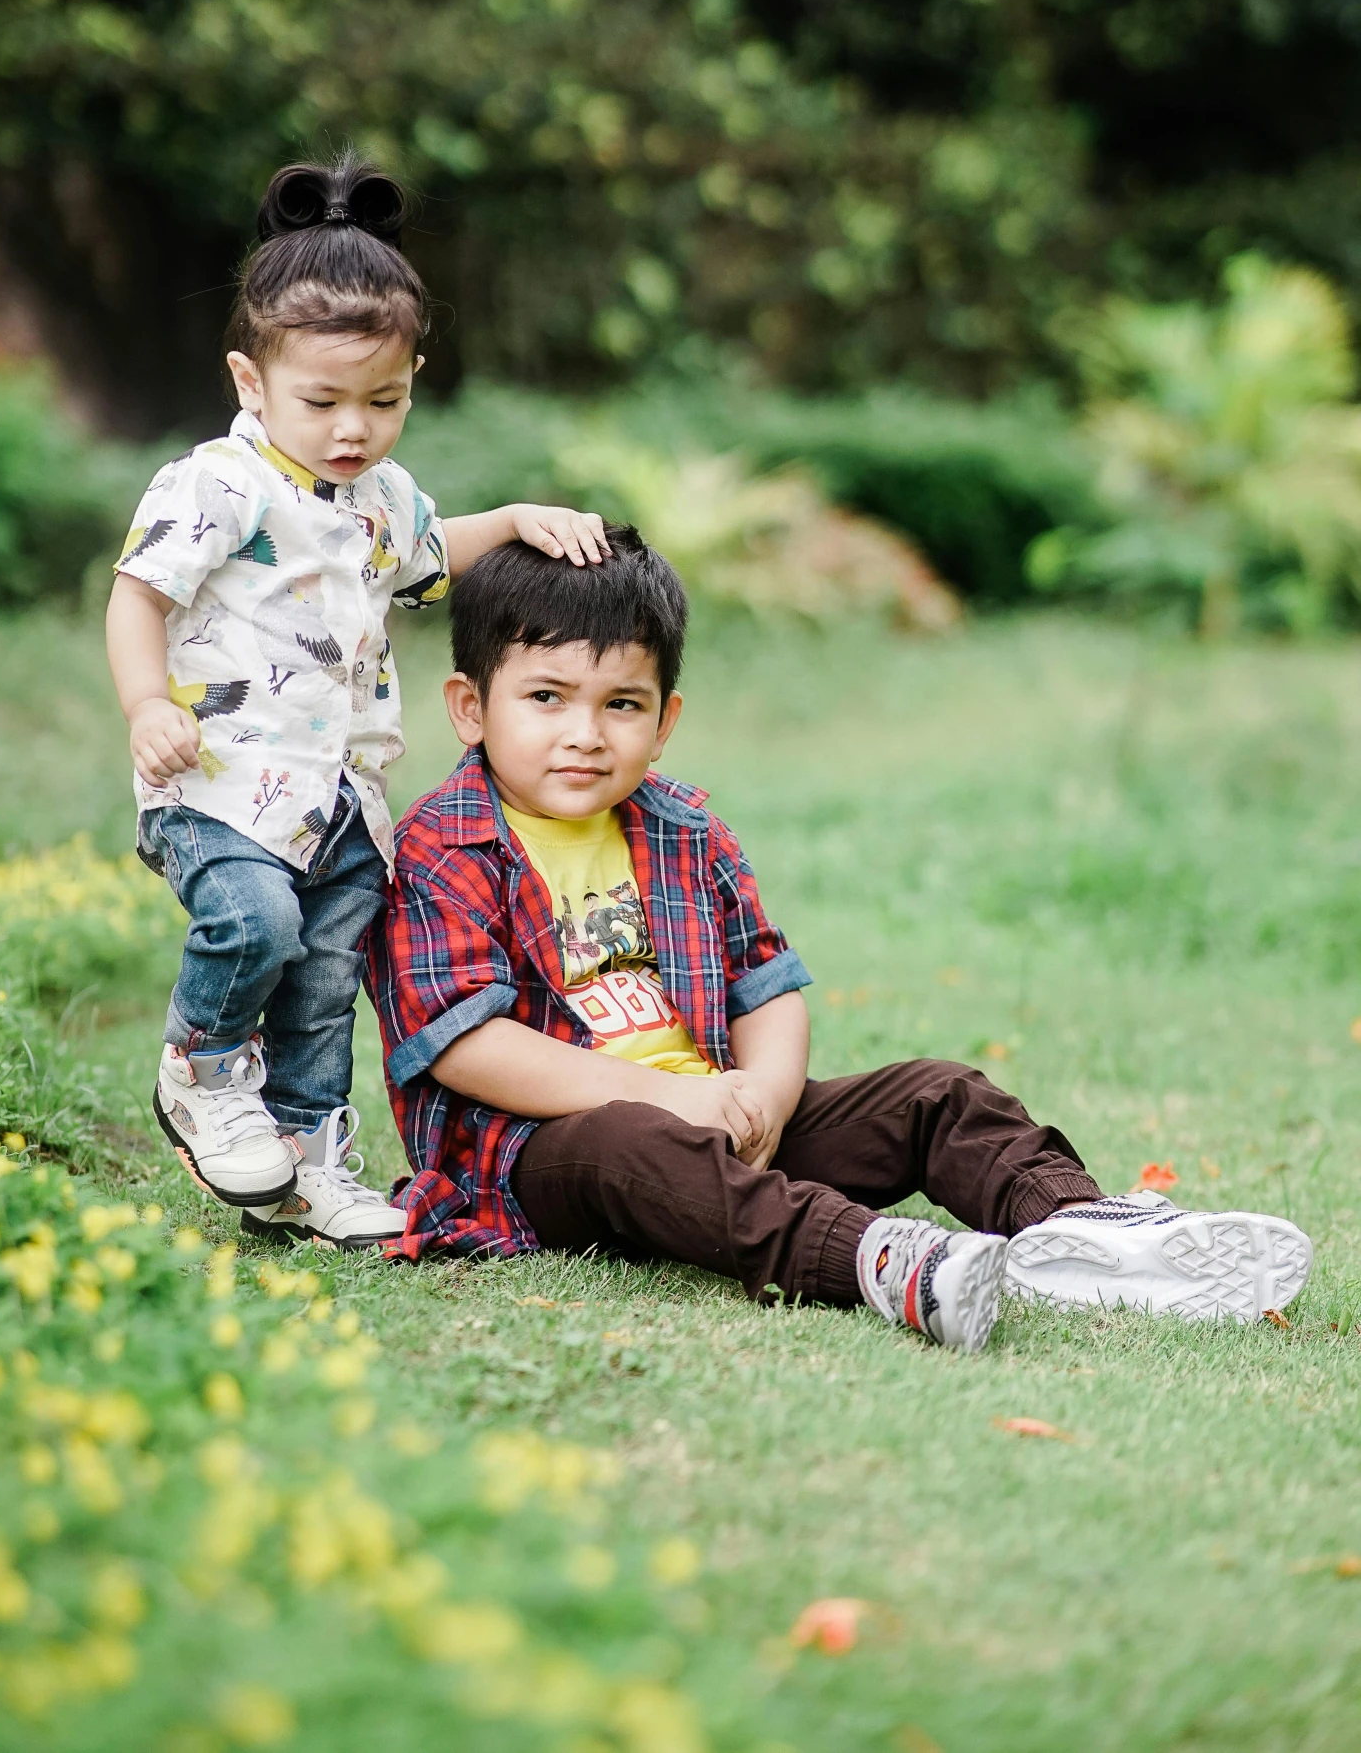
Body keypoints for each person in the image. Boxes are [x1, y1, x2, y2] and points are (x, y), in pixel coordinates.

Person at [368, 526, 1313, 1346]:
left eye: (621, 704)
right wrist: (669, 1101)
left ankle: (1082, 1236)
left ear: (664, 723)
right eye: (546, 698)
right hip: (551, 1157)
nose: (585, 733)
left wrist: (766, 1099)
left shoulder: (682, 830)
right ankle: (878, 1261)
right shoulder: (444, 847)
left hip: (722, 1119)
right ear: (469, 707)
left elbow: (764, 984)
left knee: (938, 1094)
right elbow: (466, 1045)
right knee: (632, 1146)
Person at [106, 153, 606, 1247]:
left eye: (383, 400)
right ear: (251, 382)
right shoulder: (219, 485)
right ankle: (200, 1072)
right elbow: (136, 597)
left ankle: (304, 1157)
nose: (352, 427)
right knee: (256, 922)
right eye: (321, 400)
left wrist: (515, 516)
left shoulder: (383, 500)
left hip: (339, 800)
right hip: (221, 782)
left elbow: (432, 558)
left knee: (327, 975)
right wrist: (147, 704)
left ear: (413, 378)